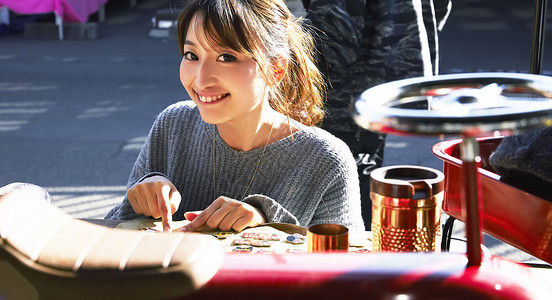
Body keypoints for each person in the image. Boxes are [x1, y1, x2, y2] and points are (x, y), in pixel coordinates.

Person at [104, 0, 365, 233]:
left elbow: (347, 269)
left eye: (226, 57)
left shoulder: (326, 159)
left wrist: (267, 226)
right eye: (192, 55)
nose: (201, 79)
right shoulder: (172, 125)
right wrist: (141, 195)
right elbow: (113, 237)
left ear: (276, 69)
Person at [303, 0, 452, 229]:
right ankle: (365, 251)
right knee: (362, 171)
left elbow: (336, 43)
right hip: (382, 81)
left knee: (339, 183)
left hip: (345, 85)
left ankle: (351, 254)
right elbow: (440, 6)